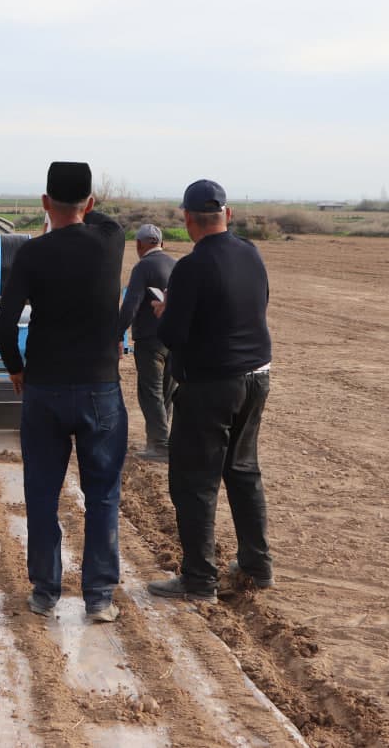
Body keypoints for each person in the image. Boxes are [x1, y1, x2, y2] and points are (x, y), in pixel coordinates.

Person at [0, 162, 127, 623]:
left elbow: (3, 322)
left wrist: (16, 369)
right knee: (103, 494)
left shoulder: (32, 255)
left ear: (44, 203)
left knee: (43, 493)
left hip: (44, 388)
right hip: (99, 389)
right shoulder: (111, 242)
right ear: (89, 204)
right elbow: (105, 219)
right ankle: (99, 596)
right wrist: (81, 211)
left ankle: (46, 592)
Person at [147, 179, 275, 603]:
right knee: (243, 471)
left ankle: (199, 581)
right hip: (257, 376)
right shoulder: (252, 254)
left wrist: (165, 310)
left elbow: (172, 334)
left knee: (195, 483)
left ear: (186, 220)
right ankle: (257, 566)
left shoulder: (191, 267)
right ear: (228, 214)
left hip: (211, 385)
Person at [117, 223, 177, 460]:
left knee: (150, 391)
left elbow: (131, 304)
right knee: (167, 392)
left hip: (150, 341)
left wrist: (116, 335)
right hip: (174, 340)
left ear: (139, 245)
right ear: (162, 243)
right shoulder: (177, 265)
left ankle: (160, 445)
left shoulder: (143, 267)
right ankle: (161, 441)